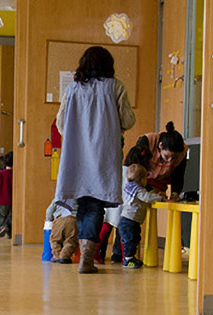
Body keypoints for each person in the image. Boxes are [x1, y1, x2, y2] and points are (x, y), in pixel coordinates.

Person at [54, 46, 136, 273]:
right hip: (103, 154)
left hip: (77, 156)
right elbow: (128, 120)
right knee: (96, 205)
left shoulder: (71, 90)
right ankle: (87, 259)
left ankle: (85, 256)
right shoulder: (115, 87)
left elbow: (61, 124)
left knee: (83, 206)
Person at [123, 121, 188, 199]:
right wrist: (150, 191)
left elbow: (178, 176)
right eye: (166, 156)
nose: (169, 160)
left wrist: (175, 193)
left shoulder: (182, 152)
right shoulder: (147, 141)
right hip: (139, 183)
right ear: (160, 145)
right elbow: (135, 172)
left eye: (174, 158)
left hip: (160, 185)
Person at [118, 164, 165, 268]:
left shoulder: (129, 187)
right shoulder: (138, 189)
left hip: (126, 220)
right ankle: (128, 260)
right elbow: (147, 197)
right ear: (142, 179)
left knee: (133, 239)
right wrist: (159, 198)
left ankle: (131, 258)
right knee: (130, 240)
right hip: (130, 220)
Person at [45, 200, 76, 264]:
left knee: (55, 239)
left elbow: (49, 210)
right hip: (74, 220)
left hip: (60, 219)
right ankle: (65, 256)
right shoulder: (79, 197)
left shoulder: (58, 197)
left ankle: (57, 256)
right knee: (70, 240)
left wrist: (49, 219)